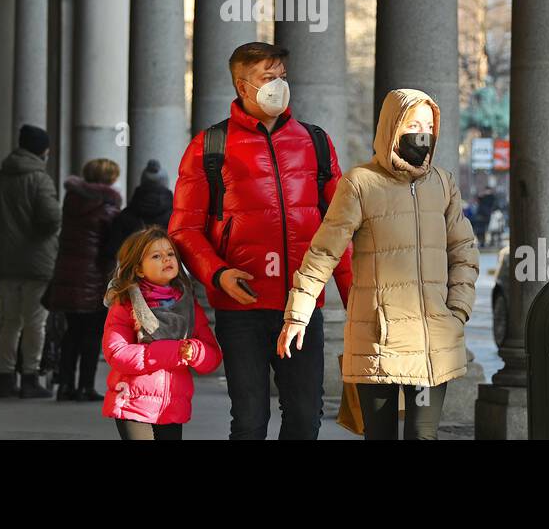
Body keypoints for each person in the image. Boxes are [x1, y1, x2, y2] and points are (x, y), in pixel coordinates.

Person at [169, 41, 352, 440]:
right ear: (242, 85)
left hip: (301, 307)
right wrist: (217, 275)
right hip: (242, 309)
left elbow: (340, 227)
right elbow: (183, 229)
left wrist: (356, 299)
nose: (278, 86)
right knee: (250, 421)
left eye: (282, 77)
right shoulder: (209, 147)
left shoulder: (316, 142)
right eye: (268, 78)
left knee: (305, 418)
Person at [278, 88, 479, 440]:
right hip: (378, 338)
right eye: (413, 123)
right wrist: (298, 313)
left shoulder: (443, 184)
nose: (423, 133)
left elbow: (463, 250)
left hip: (433, 339)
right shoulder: (360, 183)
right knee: (380, 434)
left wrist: (458, 310)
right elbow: (325, 251)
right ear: (392, 126)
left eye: (429, 125)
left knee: (423, 435)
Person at [101, 226, 222, 440]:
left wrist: (195, 352)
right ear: (139, 269)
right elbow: (116, 353)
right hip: (132, 401)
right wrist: (172, 352)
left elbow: (212, 356)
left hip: (171, 405)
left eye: (170, 254)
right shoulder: (126, 303)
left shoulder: (188, 305)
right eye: (156, 256)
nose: (166, 259)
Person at [0, 124, 62, 397]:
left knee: (10, 322)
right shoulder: (40, 180)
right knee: (35, 322)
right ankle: (30, 376)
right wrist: (39, 237)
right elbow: (52, 218)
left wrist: (5, 242)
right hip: (37, 263)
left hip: (6, 262)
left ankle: (3, 377)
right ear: (43, 150)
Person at [46, 157, 122, 401]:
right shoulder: (109, 207)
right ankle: (85, 386)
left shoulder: (72, 202)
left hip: (68, 275)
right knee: (91, 335)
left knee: (72, 333)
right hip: (94, 278)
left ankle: (65, 386)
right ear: (110, 179)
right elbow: (112, 246)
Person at [108, 158, 173, 255]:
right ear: (165, 184)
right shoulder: (175, 216)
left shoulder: (125, 216)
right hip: (165, 267)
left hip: (135, 268)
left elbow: (113, 250)